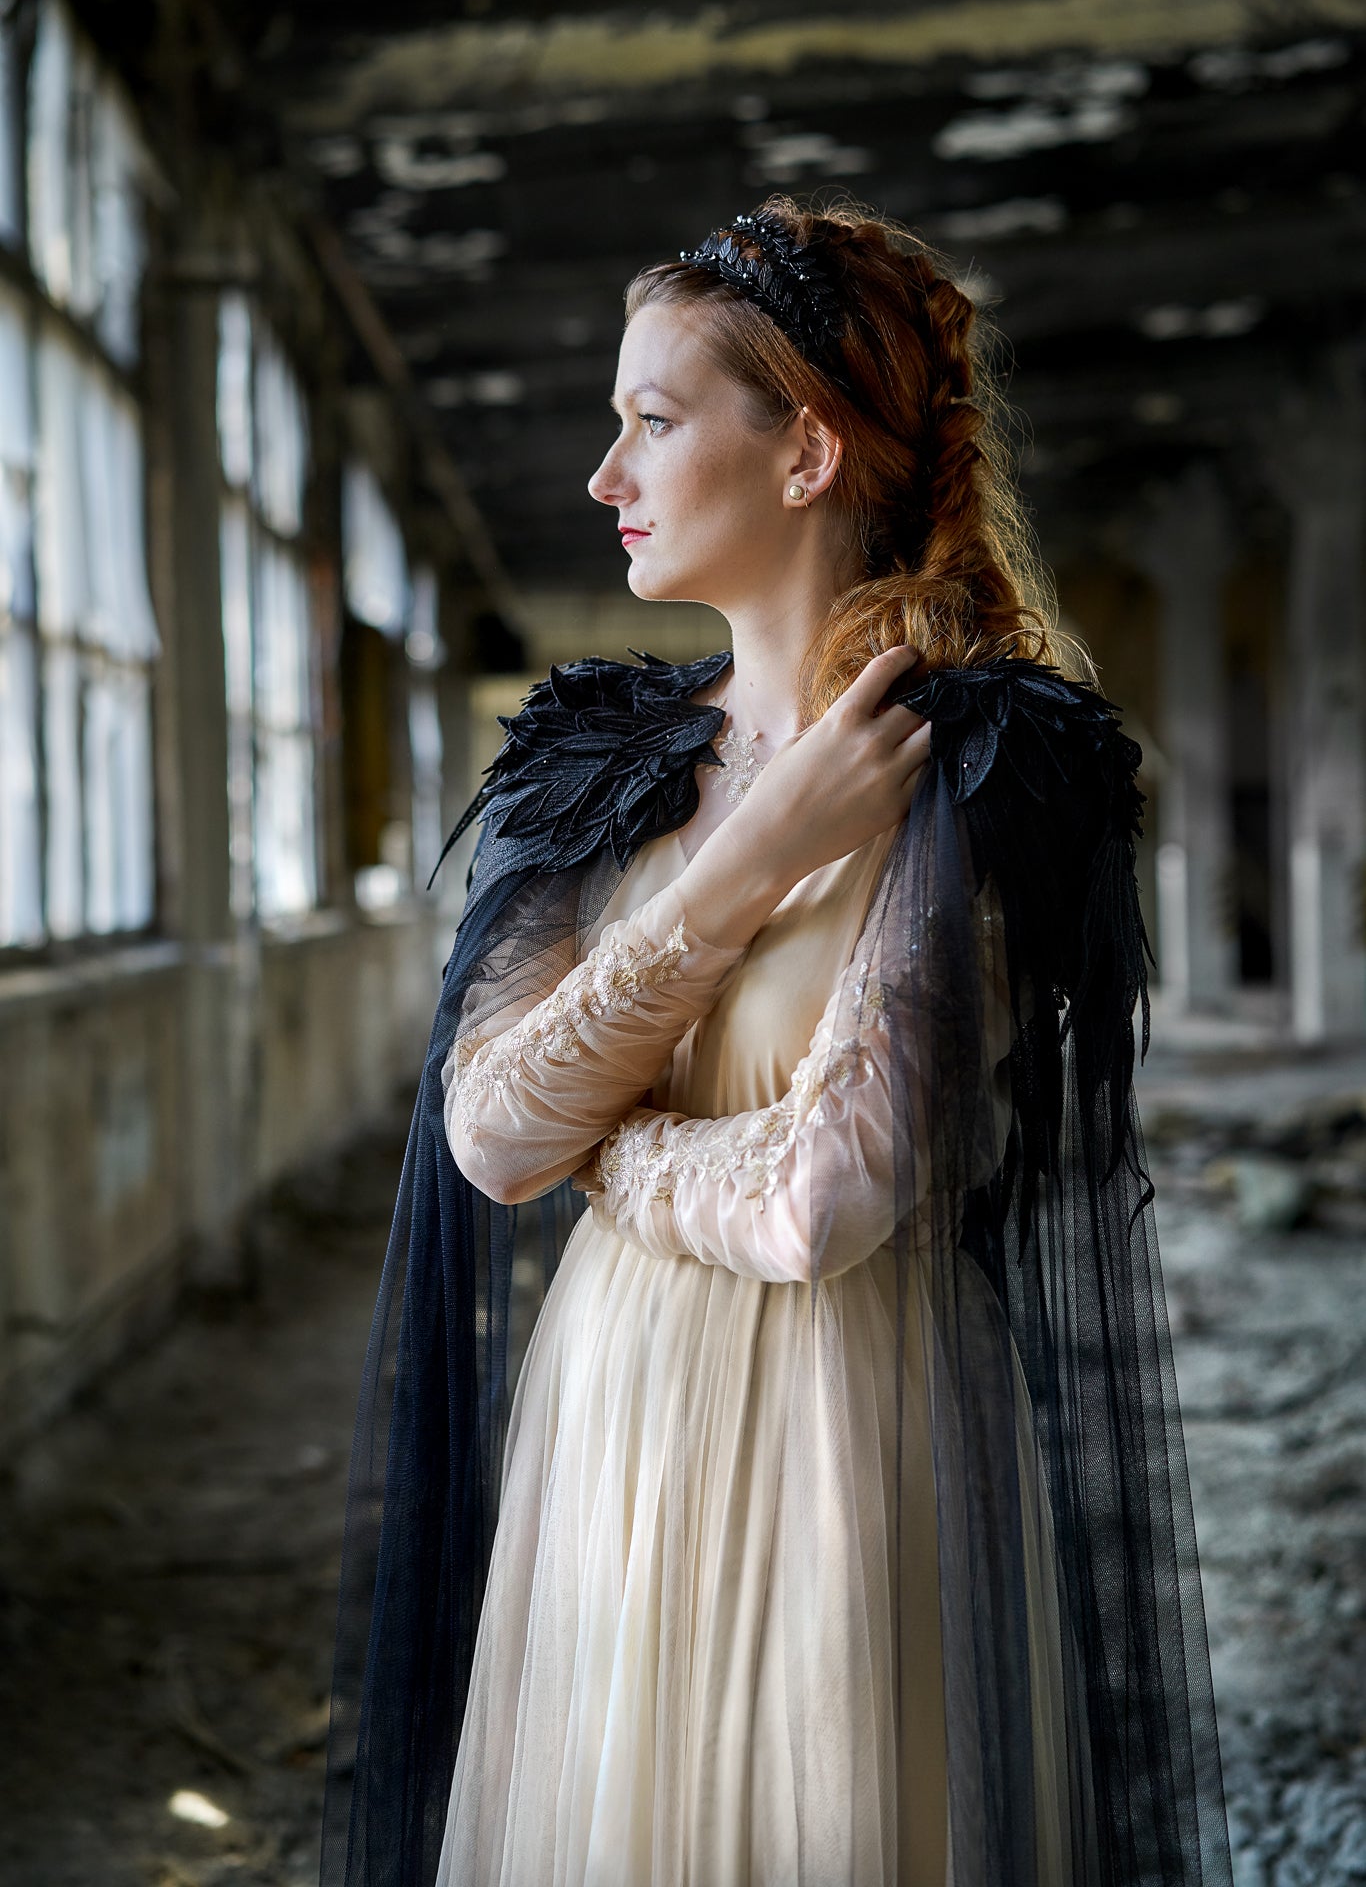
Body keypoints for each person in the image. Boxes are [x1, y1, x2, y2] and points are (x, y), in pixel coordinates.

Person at [320, 201, 1232, 1887]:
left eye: (652, 421)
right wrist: (744, 861)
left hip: (849, 1425)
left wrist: (607, 1146)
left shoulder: (981, 760)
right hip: (607, 1414)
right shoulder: (590, 758)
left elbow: (824, 1198)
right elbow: (489, 1140)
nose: (605, 472)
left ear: (803, 451)